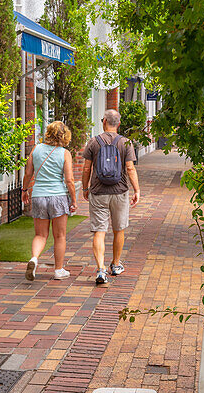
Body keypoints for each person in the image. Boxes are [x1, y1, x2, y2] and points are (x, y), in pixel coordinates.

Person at [80, 109, 140, 286]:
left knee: (99, 231)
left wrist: (85, 188)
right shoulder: (126, 143)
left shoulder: (93, 141)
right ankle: (115, 264)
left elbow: (86, 169)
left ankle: (100, 269)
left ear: (103, 121)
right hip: (120, 192)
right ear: (118, 123)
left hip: (98, 192)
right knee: (118, 229)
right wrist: (136, 190)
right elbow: (130, 169)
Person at [21, 121, 77, 281]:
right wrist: (73, 200)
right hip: (58, 196)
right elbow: (70, 180)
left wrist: (24, 190)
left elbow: (28, 173)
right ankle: (58, 270)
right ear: (64, 135)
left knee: (40, 234)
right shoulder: (65, 153)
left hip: (38, 195)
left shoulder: (36, 149)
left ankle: (34, 259)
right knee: (59, 236)